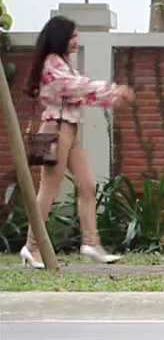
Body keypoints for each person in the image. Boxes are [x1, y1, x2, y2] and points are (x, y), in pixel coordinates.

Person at [19, 15, 135, 269]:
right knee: (49, 189)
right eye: (72, 36)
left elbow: (80, 94)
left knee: (87, 185)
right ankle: (32, 246)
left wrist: (110, 97)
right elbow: (74, 87)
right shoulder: (52, 63)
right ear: (60, 37)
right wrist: (112, 90)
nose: (75, 41)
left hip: (69, 130)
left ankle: (91, 242)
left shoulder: (62, 63)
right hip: (56, 129)